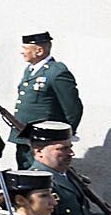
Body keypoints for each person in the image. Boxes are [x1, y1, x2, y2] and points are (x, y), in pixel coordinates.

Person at [11, 31, 83, 168]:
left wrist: (65, 135)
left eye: (25, 48)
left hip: (44, 139)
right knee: (25, 172)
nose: (22, 52)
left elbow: (73, 108)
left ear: (39, 51)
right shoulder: (30, 70)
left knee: (41, 176)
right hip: (24, 135)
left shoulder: (56, 72)